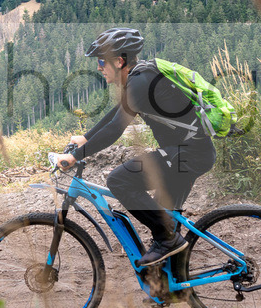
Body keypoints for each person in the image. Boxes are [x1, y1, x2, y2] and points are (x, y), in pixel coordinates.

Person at [57, 28, 216, 266]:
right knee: (166, 225)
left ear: (119, 61)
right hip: (187, 155)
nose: (99, 67)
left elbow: (115, 129)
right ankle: (175, 289)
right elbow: (118, 112)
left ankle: (168, 239)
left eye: (102, 61)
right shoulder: (141, 78)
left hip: (187, 156)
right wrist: (86, 138)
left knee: (120, 181)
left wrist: (76, 156)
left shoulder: (141, 82)